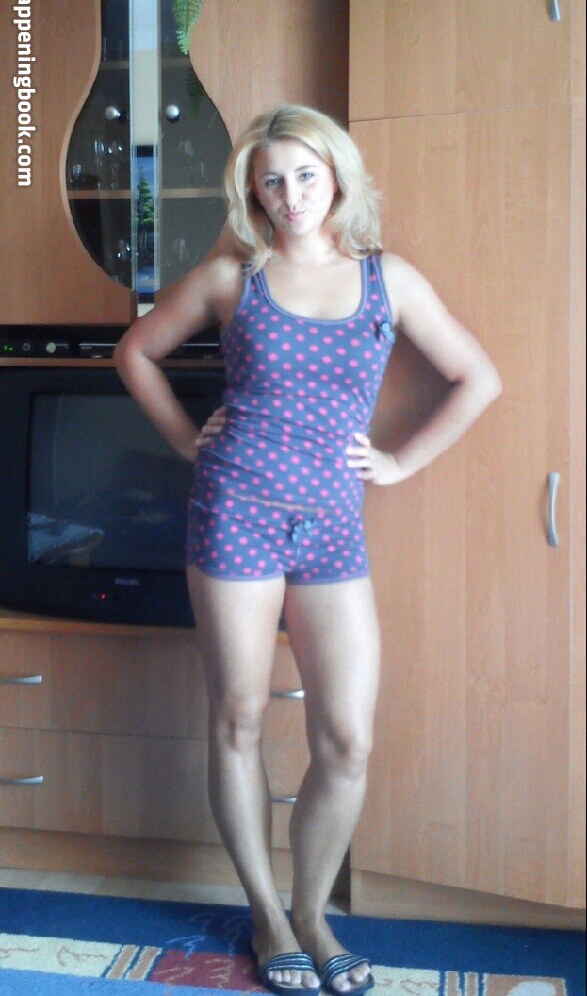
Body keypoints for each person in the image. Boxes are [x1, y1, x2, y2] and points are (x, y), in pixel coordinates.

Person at [114, 104, 501, 995]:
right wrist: (184, 440)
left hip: (332, 526)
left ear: (336, 177)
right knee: (238, 717)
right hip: (234, 513)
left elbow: (477, 377)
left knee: (347, 739)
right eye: (271, 179)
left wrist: (399, 462)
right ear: (251, 190)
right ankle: (267, 914)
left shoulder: (386, 279)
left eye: (305, 175)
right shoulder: (232, 277)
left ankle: (313, 912)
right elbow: (136, 353)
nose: (289, 195)